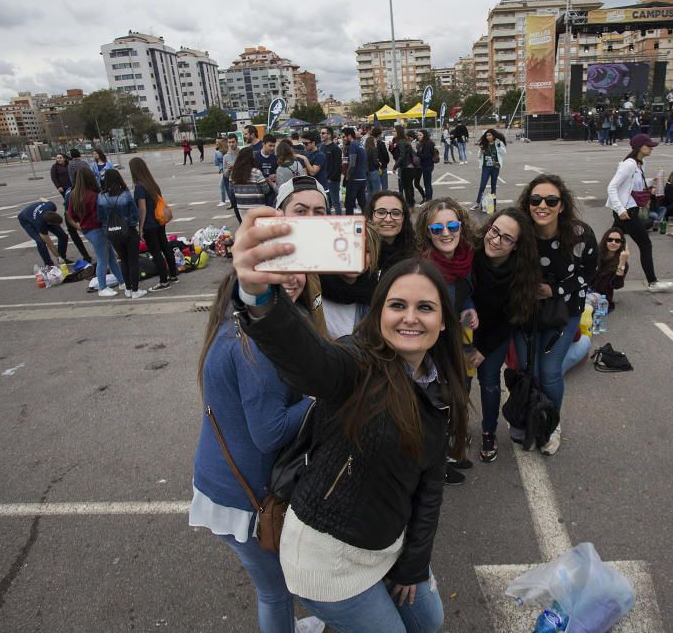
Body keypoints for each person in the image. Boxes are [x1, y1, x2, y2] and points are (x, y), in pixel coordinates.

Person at [232, 216, 468, 631]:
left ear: (443, 321)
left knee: (429, 621)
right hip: (328, 559)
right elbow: (310, 361)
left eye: (425, 307)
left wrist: (415, 563)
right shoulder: (358, 365)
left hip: (387, 544)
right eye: (397, 305)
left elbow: (431, 486)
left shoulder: (441, 386)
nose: (410, 317)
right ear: (379, 314)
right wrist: (259, 296)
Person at [191, 269, 326, 633]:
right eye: (276, 276)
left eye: (295, 269)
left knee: (273, 587)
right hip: (244, 495)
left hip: (222, 482)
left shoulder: (229, 327)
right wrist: (318, 398)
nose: (292, 279)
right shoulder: (254, 346)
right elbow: (270, 432)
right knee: (275, 591)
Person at [515, 174, 597, 455]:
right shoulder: (518, 233)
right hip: (525, 312)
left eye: (551, 200)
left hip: (565, 311)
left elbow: (589, 273)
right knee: (528, 369)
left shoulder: (580, 235)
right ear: (528, 203)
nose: (543, 206)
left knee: (549, 371)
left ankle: (550, 422)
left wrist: (555, 289)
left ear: (561, 206)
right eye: (536, 199)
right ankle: (529, 415)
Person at [414, 198, 478, 484]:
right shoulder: (424, 269)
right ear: (428, 232)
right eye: (437, 228)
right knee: (435, 408)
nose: (445, 233)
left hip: (458, 347)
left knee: (455, 402)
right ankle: (433, 467)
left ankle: (448, 454)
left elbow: (465, 291)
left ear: (461, 228)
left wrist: (470, 306)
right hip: (432, 353)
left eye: (452, 225)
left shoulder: (465, 258)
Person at [468, 208, 539, 463]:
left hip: (495, 334)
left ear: (517, 246)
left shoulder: (521, 274)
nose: (496, 240)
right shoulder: (470, 254)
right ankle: (458, 427)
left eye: (506, 238)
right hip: (465, 330)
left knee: (488, 380)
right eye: (494, 231)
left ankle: (488, 430)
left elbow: (511, 318)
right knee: (460, 382)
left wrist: (483, 350)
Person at [606, 134, 673, 292]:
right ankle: (653, 282)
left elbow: (634, 185)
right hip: (626, 210)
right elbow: (612, 187)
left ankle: (596, 275)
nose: (651, 148)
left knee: (610, 243)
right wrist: (621, 209)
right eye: (648, 145)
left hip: (629, 208)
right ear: (639, 147)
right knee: (645, 244)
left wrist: (651, 182)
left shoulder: (641, 163)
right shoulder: (628, 164)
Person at [68, 169, 123, 297]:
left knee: (109, 257)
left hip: (87, 229)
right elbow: (99, 216)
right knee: (103, 259)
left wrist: (80, 224)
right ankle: (102, 287)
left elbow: (71, 214)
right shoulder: (93, 195)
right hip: (98, 229)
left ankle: (121, 281)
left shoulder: (74, 194)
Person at [320, 224, 381, 339]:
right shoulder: (312, 287)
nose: (357, 255)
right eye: (350, 247)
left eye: (367, 251)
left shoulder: (375, 293)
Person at [130, 157, 178, 292]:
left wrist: (140, 228)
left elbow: (142, 209)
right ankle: (173, 275)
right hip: (159, 221)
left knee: (156, 252)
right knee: (165, 247)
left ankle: (163, 281)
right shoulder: (152, 183)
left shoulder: (139, 186)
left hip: (149, 224)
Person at [98, 170, 144, 299]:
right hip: (128, 230)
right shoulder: (125, 195)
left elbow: (100, 217)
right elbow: (136, 214)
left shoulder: (101, 197)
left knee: (123, 260)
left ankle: (128, 288)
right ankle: (135, 290)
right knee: (133, 260)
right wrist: (131, 223)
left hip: (112, 232)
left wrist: (108, 226)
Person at [51, 152, 93, 263]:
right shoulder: (91, 191)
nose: (58, 159)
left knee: (74, 232)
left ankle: (86, 255)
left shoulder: (71, 192)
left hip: (72, 210)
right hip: (78, 211)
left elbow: (67, 212)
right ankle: (87, 255)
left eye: (60, 157)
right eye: (57, 158)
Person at [367, 191, 417, 273]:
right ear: (370, 216)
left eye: (396, 213)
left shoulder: (418, 254)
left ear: (404, 218)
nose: (388, 219)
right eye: (381, 212)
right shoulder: (359, 254)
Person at [17, 198, 69, 267]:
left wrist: (38, 205)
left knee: (63, 236)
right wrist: (58, 256)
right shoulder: (40, 224)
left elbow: (41, 198)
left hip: (40, 213)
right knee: (40, 242)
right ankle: (48, 264)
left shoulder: (51, 205)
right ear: (49, 223)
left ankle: (63, 258)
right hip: (25, 219)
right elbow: (50, 244)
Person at [230, 147, 273, 222]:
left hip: (242, 207)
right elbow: (266, 190)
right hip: (257, 207)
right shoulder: (256, 172)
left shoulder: (233, 173)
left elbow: (231, 189)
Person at [591, 226, 629, 307]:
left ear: (621, 243)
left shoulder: (623, 263)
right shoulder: (596, 253)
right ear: (605, 241)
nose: (613, 243)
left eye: (617, 241)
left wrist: (622, 263)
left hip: (602, 298)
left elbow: (616, 285)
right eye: (610, 240)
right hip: (585, 291)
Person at [471, 129, 506, 213]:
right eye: (487, 135)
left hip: (495, 167)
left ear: (493, 136)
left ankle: (493, 204)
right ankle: (477, 203)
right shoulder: (484, 144)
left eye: (490, 135)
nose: (488, 137)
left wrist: (499, 146)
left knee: (493, 186)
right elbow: (478, 156)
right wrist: (481, 151)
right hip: (486, 167)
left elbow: (503, 152)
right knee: (482, 185)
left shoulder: (498, 143)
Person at [391, 126, 420, 208]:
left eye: (394, 131)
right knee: (409, 186)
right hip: (410, 167)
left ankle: (409, 205)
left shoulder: (401, 142)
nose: (393, 132)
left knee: (407, 187)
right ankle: (411, 203)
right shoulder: (404, 141)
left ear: (398, 132)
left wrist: (395, 166)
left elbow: (402, 156)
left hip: (407, 167)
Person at [343, 127, 368, 214]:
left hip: (354, 179)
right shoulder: (360, 145)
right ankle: (368, 222)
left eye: (344, 136)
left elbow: (352, 164)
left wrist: (348, 176)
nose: (344, 139)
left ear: (349, 136)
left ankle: (349, 223)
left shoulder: (353, 146)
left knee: (349, 204)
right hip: (362, 178)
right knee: (362, 203)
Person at [321, 127, 343, 213]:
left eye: (323, 133)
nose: (321, 135)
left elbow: (338, 167)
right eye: (321, 133)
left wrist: (331, 179)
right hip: (324, 181)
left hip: (333, 181)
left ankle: (340, 221)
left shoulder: (335, 148)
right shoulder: (322, 147)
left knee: (335, 202)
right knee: (326, 204)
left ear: (329, 135)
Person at [220, 136, 239, 208]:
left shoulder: (241, 153)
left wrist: (234, 167)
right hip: (232, 183)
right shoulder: (225, 157)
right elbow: (225, 174)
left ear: (237, 142)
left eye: (233, 142)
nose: (231, 144)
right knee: (235, 206)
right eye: (229, 142)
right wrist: (228, 169)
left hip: (242, 182)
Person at [417, 130, 435, 202]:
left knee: (427, 184)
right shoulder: (426, 143)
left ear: (424, 135)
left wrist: (417, 151)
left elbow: (425, 156)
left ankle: (428, 200)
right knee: (428, 183)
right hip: (428, 165)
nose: (418, 137)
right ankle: (429, 199)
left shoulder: (427, 144)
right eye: (418, 135)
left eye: (420, 135)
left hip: (427, 165)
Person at [364, 134, 383, 201]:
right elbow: (375, 161)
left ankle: (368, 207)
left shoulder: (365, 150)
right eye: (374, 141)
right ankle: (376, 206)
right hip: (374, 172)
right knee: (376, 192)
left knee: (369, 191)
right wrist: (379, 164)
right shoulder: (374, 149)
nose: (376, 143)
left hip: (367, 172)